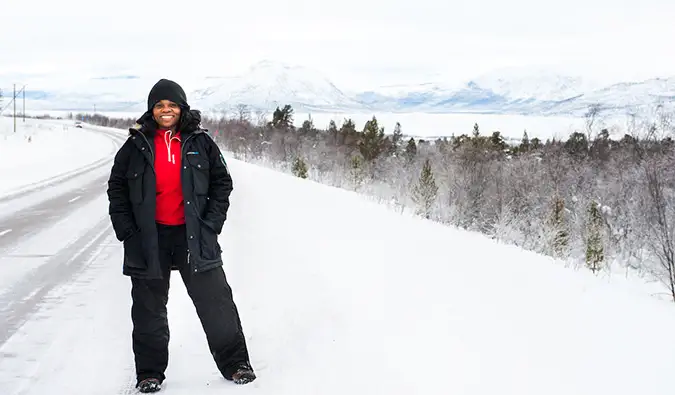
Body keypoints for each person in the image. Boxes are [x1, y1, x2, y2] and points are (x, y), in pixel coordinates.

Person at [106, 79, 255, 393]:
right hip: (149, 240)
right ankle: (149, 374)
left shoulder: (200, 142)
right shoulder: (135, 145)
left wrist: (210, 225)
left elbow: (222, 184)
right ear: (152, 110)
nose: (165, 110)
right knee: (148, 310)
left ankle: (236, 364)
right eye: (159, 105)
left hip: (194, 237)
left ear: (181, 108)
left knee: (216, 302)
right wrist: (127, 232)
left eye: (171, 105)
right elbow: (116, 189)